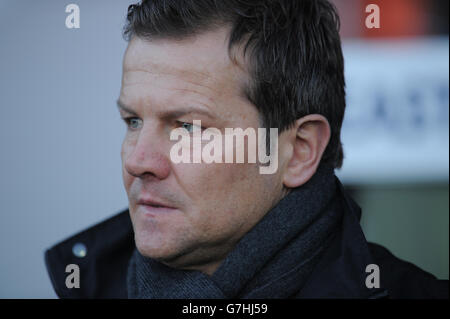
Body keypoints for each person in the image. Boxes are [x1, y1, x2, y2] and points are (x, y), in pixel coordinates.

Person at [45, 0, 447, 298]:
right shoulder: (85, 283)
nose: (137, 161)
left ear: (299, 150)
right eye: (133, 121)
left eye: (187, 127)